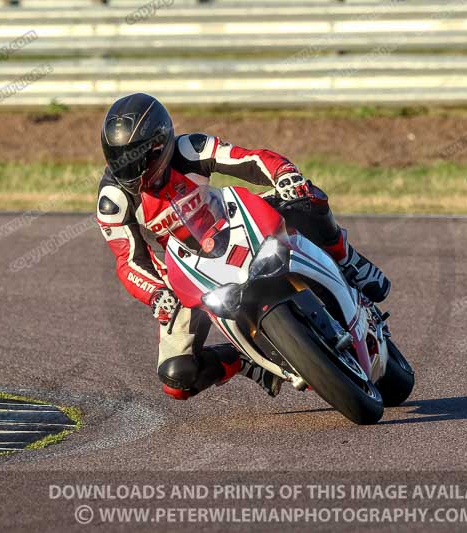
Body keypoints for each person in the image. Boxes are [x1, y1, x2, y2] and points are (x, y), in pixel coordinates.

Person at [95, 93, 390, 400]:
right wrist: (157, 294)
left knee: (306, 198)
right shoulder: (113, 201)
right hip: (184, 276)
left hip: (234, 224)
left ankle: (348, 260)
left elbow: (249, 159)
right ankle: (245, 361)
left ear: (162, 144)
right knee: (177, 378)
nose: (132, 171)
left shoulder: (189, 149)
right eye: (119, 159)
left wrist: (284, 175)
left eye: (139, 158)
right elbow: (128, 261)